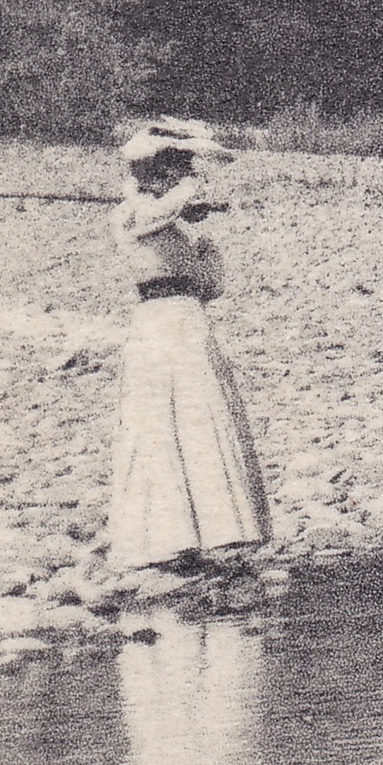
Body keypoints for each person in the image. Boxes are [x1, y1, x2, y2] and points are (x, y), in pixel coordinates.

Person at [108, 117, 272, 570]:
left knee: (202, 416)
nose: (176, 180)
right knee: (157, 424)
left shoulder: (177, 224)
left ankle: (221, 530)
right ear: (152, 175)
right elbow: (149, 220)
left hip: (187, 318)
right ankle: (165, 536)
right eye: (171, 171)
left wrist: (203, 239)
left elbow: (212, 285)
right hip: (154, 322)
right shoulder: (128, 214)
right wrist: (187, 196)